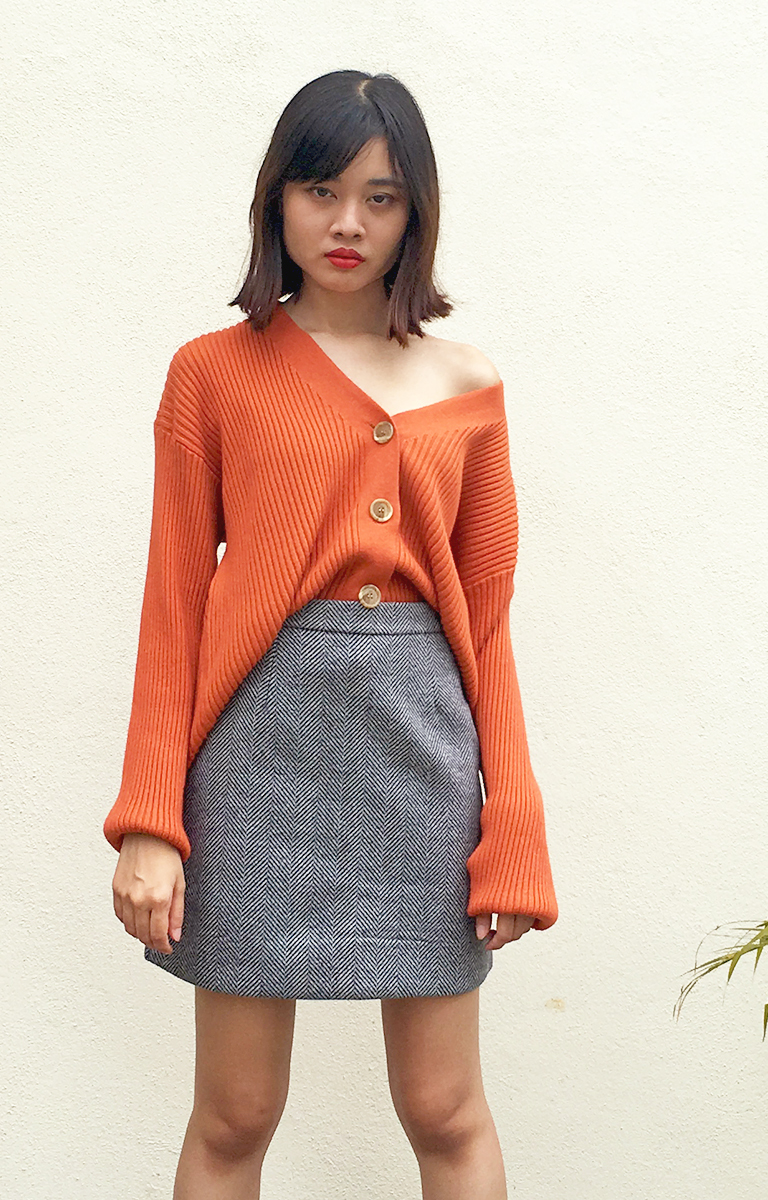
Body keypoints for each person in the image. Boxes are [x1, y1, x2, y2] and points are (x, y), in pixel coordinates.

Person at [104, 68, 558, 1200]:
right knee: (235, 1114)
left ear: (417, 214)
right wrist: (150, 820)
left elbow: (488, 630)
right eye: (321, 191)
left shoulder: (467, 383)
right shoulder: (210, 374)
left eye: (381, 197)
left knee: (444, 1108)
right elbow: (172, 603)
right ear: (278, 199)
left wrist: (514, 826)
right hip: (256, 762)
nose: (348, 223)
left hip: (422, 760)